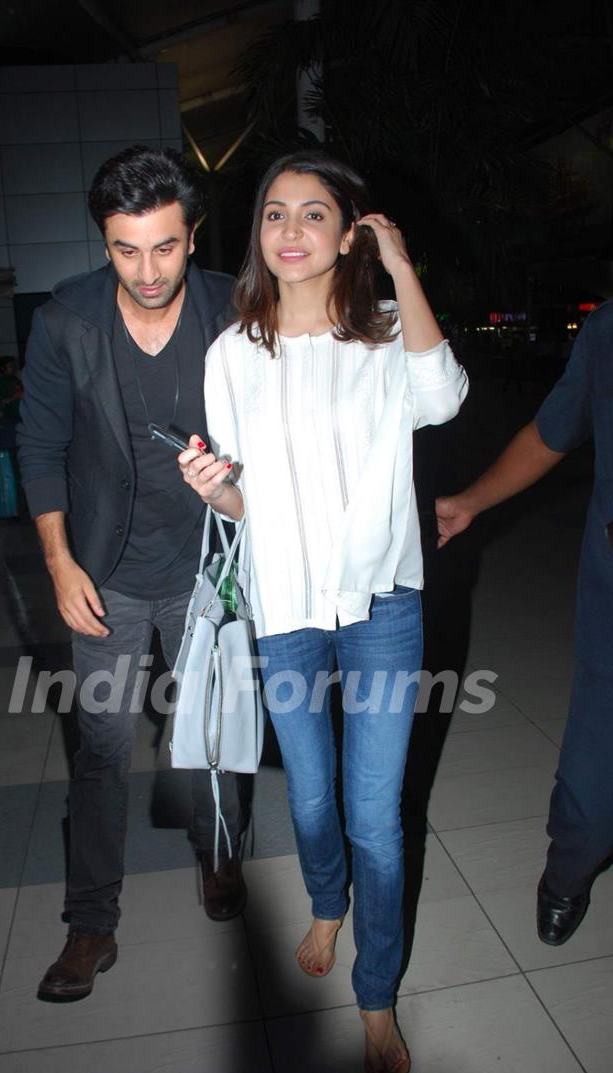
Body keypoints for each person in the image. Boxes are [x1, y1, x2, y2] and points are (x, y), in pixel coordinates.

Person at [178, 152, 468, 1073]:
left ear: (349, 234)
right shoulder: (232, 355)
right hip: (288, 607)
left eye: (314, 214)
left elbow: (443, 399)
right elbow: (243, 502)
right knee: (309, 796)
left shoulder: (385, 335)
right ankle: (327, 899)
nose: (291, 231)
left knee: (376, 812)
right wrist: (214, 490)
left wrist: (404, 267)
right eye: (274, 214)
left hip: (383, 603)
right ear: (258, 235)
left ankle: (375, 994)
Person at [17, 146, 250, 1003]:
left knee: (213, 738)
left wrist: (240, 483)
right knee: (103, 753)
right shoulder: (65, 321)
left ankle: (220, 857)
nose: (147, 271)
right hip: (105, 571)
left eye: (165, 246)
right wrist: (58, 560)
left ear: (191, 234)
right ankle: (90, 922)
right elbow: (37, 444)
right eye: (125, 249)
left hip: (206, 567)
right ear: (104, 242)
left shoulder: (236, 308)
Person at [436, 301, 613, 947]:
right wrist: (469, 501)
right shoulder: (608, 329)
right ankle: (567, 874)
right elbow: (551, 433)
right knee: (593, 798)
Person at [0, 355, 23, 450]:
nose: (13, 368)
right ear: (2, 368)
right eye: (10, 366)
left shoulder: (16, 381)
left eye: (13, 366)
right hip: (7, 421)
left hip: (20, 419)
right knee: (10, 448)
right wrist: (14, 397)